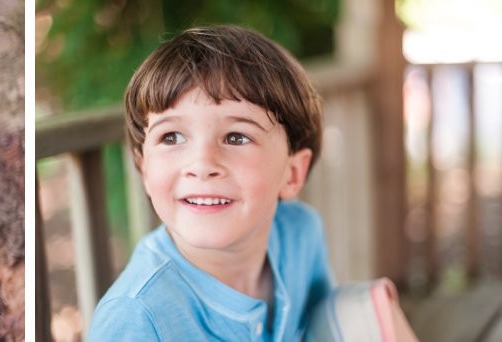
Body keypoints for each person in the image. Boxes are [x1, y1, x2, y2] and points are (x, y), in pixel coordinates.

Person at [87, 25, 331, 341]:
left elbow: (328, 325)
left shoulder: (301, 234)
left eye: (236, 137)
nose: (202, 165)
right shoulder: (135, 317)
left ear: (292, 173)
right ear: (144, 169)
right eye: (171, 137)